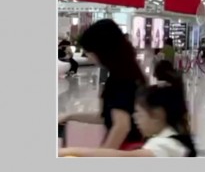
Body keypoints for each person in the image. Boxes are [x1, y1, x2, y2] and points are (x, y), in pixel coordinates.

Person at [59, 60, 197, 157]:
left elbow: (120, 157)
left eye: (139, 114)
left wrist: (69, 151)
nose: (134, 118)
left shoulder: (163, 146)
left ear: (157, 114)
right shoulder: (175, 137)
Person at [58, 19, 147, 150]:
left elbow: (122, 126)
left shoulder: (120, 80)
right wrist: (70, 116)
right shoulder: (128, 73)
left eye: (89, 52)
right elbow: (106, 117)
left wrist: (103, 154)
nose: (88, 57)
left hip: (123, 150)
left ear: (103, 51)